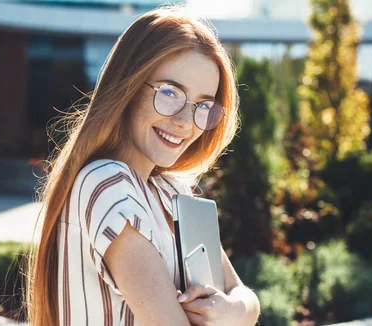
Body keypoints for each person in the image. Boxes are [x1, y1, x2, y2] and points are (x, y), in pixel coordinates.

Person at [27, 4, 261, 326]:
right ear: (129, 86)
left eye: (204, 105)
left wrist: (231, 311)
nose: (184, 122)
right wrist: (236, 315)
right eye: (169, 92)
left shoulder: (172, 190)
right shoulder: (108, 183)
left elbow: (244, 296)